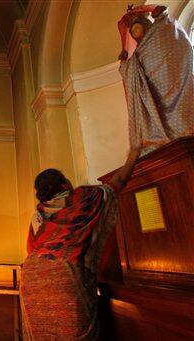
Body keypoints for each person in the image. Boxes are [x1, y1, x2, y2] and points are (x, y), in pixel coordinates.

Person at [21, 147, 141, 340]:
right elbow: (115, 184)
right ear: (63, 185)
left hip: (31, 275)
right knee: (74, 331)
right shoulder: (84, 200)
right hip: (64, 272)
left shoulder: (39, 214)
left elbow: (31, 248)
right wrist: (133, 157)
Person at [118, 5, 194, 155]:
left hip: (175, 81)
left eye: (136, 28)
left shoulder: (162, 31)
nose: (134, 33)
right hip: (157, 94)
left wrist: (163, 16)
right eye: (132, 32)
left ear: (145, 25)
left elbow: (181, 45)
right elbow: (135, 76)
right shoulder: (139, 55)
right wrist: (125, 64)